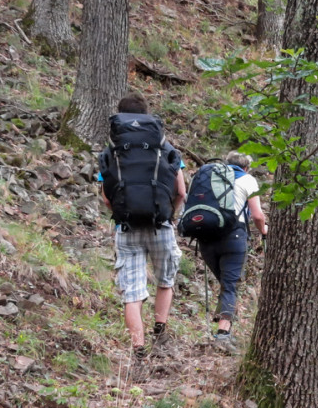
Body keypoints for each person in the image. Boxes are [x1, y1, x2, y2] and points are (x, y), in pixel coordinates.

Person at [101, 93, 186, 362]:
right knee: (165, 281)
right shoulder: (164, 146)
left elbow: (105, 196)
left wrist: (119, 212)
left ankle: (138, 348)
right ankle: (160, 329)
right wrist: (170, 213)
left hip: (127, 228)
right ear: (147, 114)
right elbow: (181, 191)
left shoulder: (112, 150)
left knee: (132, 292)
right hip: (161, 224)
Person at [197, 151, 267, 347]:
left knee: (226, 284)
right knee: (230, 285)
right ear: (246, 168)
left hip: (206, 237)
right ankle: (223, 334)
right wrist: (264, 230)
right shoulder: (247, 179)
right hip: (233, 237)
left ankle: (223, 321)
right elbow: (257, 215)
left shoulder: (211, 178)